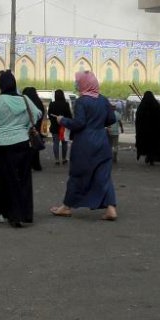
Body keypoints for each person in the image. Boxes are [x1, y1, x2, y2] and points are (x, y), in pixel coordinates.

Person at [50, 71, 119, 221]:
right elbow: (111, 118)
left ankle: (66, 207)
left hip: (85, 143)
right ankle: (111, 208)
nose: (76, 83)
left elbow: (79, 123)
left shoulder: (82, 101)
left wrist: (63, 120)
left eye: (78, 81)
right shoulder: (103, 100)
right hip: (102, 141)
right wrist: (98, 124)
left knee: (77, 175)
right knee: (104, 176)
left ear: (84, 83)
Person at [0, 71, 38, 228]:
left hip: (3, 145)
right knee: (24, 180)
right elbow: (36, 115)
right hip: (23, 143)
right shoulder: (25, 99)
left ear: (0, 85)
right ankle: (25, 214)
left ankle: (12, 214)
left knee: (8, 180)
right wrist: (25, 127)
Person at [134, 91, 160, 165]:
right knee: (153, 145)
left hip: (145, 131)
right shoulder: (156, 106)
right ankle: (151, 158)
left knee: (147, 144)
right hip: (154, 131)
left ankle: (149, 157)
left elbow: (138, 118)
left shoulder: (142, 106)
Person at [22, 87, 46, 171]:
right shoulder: (38, 101)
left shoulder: (26, 101)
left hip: (27, 127)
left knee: (27, 147)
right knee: (35, 145)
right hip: (36, 127)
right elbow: (41, 113)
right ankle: (36, 165)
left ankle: (28, 165)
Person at [48, 89, 73, 165]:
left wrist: (54, 121)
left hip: (55, 127)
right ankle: (64, 158)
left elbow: (49, 115)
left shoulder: (52, 104)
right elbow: (69, 116)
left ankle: (57, 160)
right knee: (64, 143)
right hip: (64, 127)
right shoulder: (66, 104)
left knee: (55, 143)